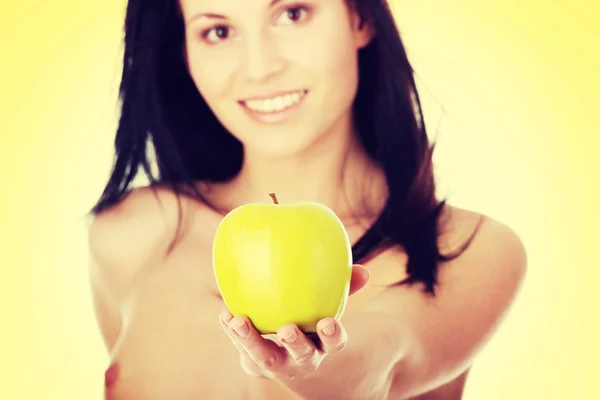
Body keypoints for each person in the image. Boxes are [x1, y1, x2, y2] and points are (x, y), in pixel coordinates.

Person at [87, 0, 527, 399]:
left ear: (361, 18)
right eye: (218, 32)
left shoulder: (467, 250)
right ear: (183, 52)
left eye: (292, 14)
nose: (260, 68)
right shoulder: (129, 234)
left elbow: (384, 364)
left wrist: (312, 366)